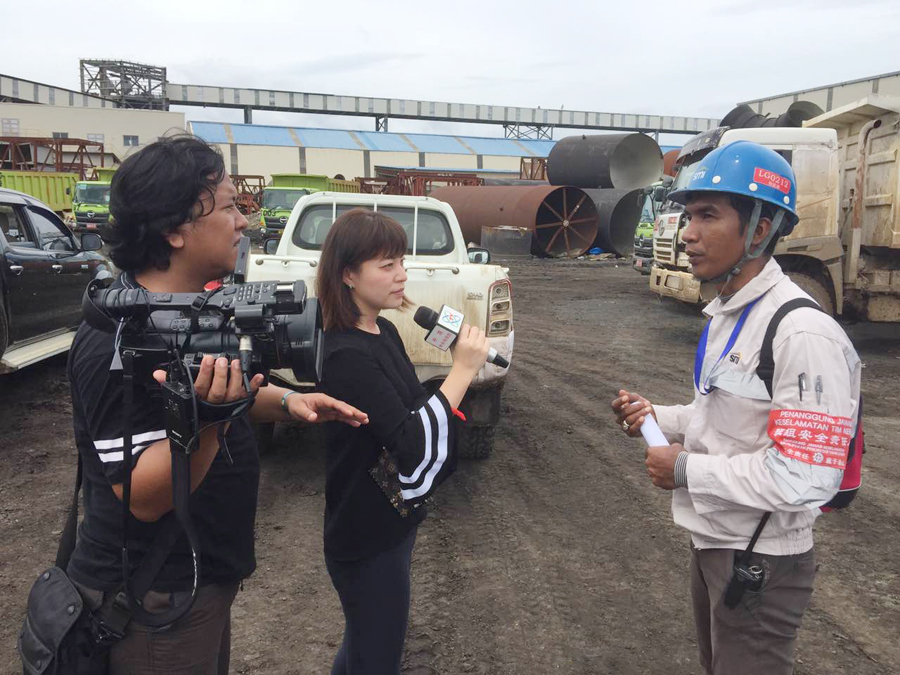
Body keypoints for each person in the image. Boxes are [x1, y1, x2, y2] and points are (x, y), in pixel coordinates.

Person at [67, 135, 368, 675]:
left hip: (197, 582)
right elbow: (143, 497)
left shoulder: (192, 312)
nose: (243, 222)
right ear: (174, 229)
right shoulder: (117, 337)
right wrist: (208, 421)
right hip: (153, 598)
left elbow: (217, 393)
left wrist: (288, 402)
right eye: (229, 207)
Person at [611, 141, 861, 675]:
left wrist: (685, 469)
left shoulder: (802, 333)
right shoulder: (729, 313)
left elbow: (806, 477)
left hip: (762, 559)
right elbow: (721, 414)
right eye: (688, 216)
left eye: (707, 215)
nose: (688, 233)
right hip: (717, 544)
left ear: (761, 229)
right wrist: (659, 417)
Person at [316, 208, 490, 674]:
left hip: (392, 520)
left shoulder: (384, 329)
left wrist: (454, 379)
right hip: (365, 532)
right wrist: (462, 370)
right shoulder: (344, 353)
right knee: (375, 656)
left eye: (402, 262)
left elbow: (414, 405)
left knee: (363, 647)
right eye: (387, 264)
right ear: (348, 275)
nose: (402, 275)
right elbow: (410, 440)